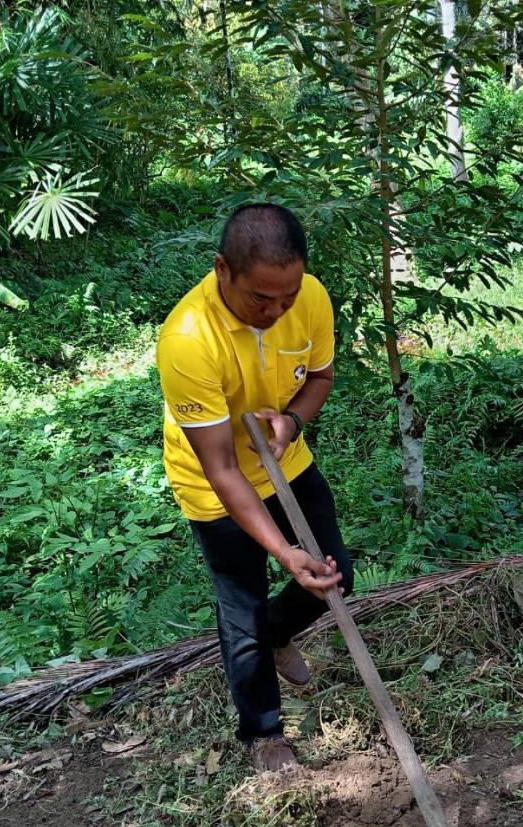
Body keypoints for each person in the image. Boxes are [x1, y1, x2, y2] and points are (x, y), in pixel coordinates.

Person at [156, 203, 354, 773]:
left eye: (286, 298)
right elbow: (221, 469)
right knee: (241, 603)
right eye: (260, 299)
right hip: (213, 486)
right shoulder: (188, 339)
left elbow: (320, 377)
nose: (275, 311)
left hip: (285, 464)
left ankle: (273, 634)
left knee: (334, 573)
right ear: (223, 269)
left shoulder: (309, 297)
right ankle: (264, 733)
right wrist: (284, 553)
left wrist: (291, 421)